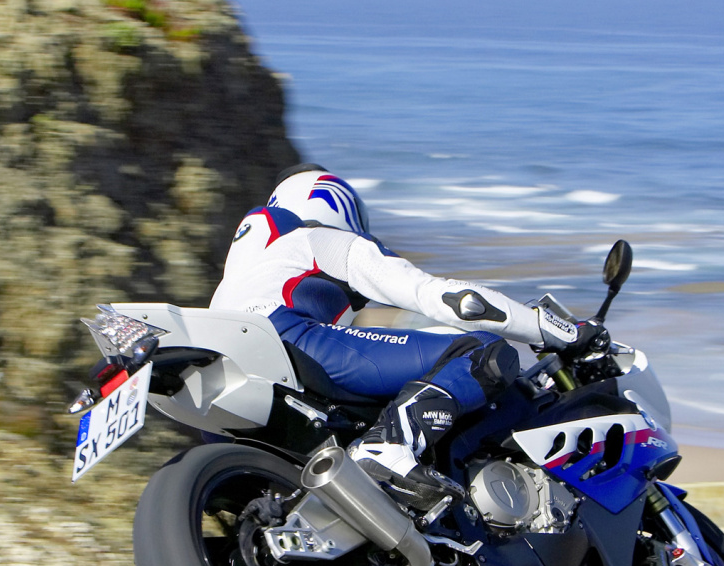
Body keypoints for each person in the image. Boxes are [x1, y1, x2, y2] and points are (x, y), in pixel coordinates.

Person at [210, 164, 602, 510]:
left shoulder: (250, 261)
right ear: (335, 203)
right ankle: (390, 444)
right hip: (291, 339)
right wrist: (556, 329)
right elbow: (453, 301)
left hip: (222, 377)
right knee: (482, 352)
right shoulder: (320, 239)